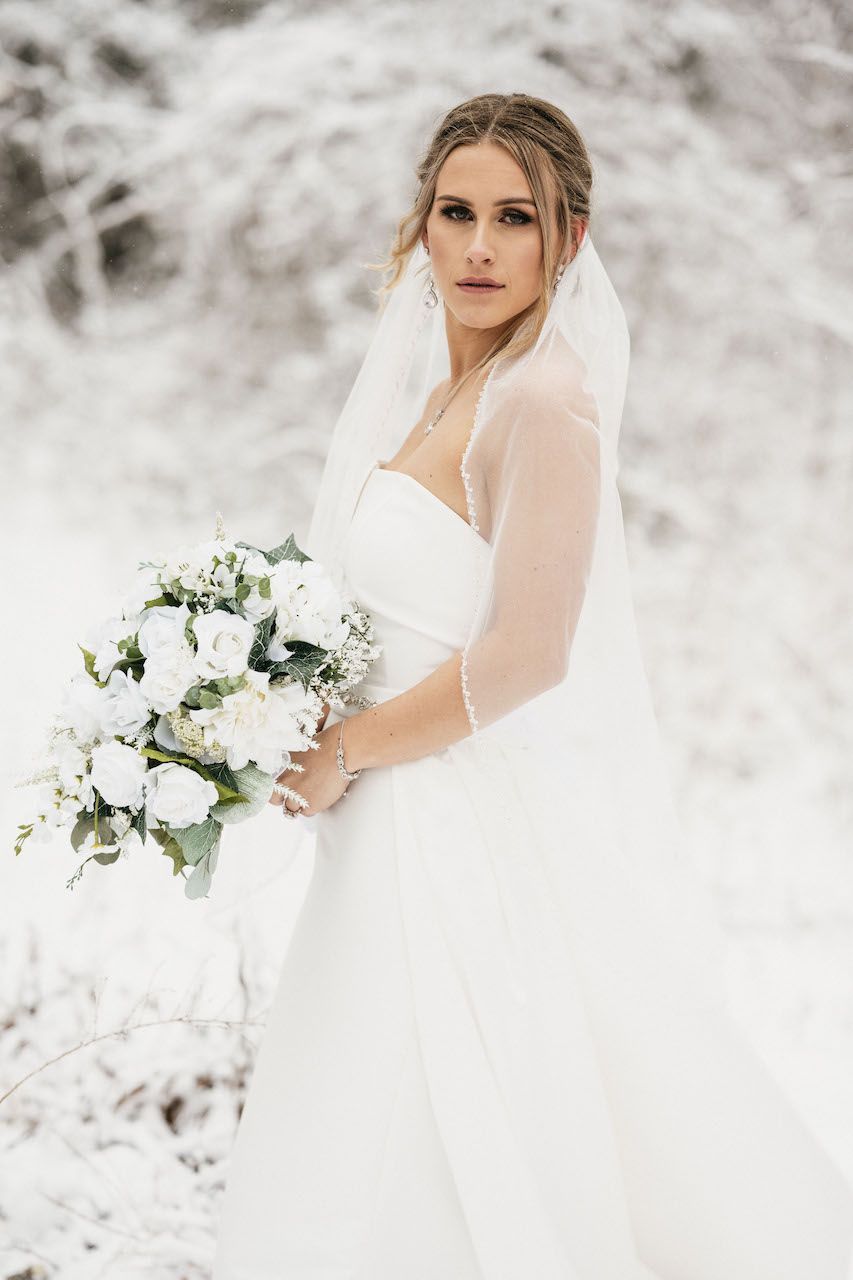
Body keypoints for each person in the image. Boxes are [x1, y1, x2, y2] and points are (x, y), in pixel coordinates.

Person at [212, 93, 853, 1279]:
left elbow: (525, 652)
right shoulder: (438, 393)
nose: (479, 246)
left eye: (516, 217)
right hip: (385, 823)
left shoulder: (543, 401)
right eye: (455, 212)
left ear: (568, 238)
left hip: (449, 822)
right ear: (421, 224)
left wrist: (345, 749)